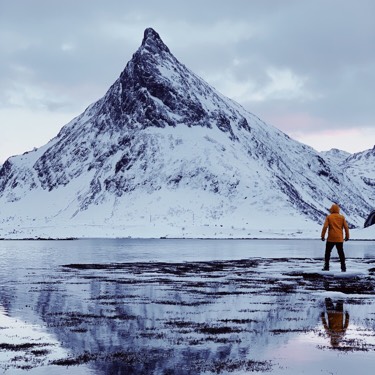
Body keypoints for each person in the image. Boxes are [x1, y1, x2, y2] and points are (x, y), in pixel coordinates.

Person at [321, 203, 349, 272]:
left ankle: (326, 266)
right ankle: (343, 267)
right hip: (339, 239)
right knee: (341, 253)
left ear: (332, 210)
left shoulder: (329, 217)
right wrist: (347, 236)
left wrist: (322, 236)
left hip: (331, 238)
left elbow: (325, 227)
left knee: (327, 253)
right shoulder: (342, 217)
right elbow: (346, 228)